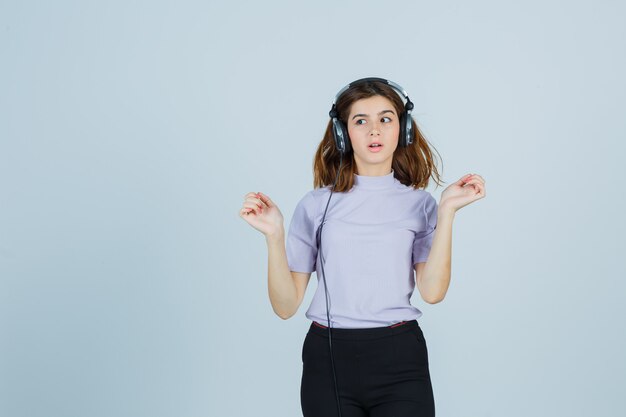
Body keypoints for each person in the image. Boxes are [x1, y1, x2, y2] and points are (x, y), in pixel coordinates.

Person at [239, 78, 486, 417]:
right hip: (328, 360)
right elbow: (285, 306)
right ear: (343, 133)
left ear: (404, 129)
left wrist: (447, 213)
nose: (374, 131)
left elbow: (432, 292)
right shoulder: (315, 205)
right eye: (361, 121)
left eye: (385, 119)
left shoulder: (422, 205)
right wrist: (274, 236)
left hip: (400, 357)